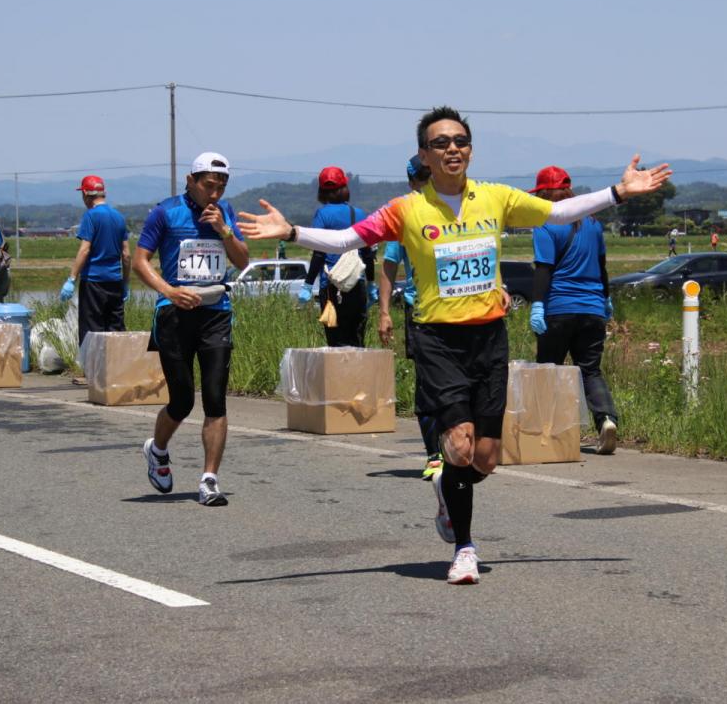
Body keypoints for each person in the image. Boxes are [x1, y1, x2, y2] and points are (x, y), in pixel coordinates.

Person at [238, 106, 670, 584]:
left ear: (470, 149)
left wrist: (617, 192)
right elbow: (345, 240)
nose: (452, 149)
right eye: (440, 142)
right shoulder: (406, 209)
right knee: (460, 445)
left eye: (460, 141)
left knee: (485, 457)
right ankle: (464, 547)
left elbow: (558, 210)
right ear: (425, 154)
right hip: (437, 339)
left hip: (489, 337)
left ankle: (446, 483)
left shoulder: (496, 199)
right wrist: (293, 232)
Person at [132, 151, 249, 507]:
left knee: (215, 399)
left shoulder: (224, 213)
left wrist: (225, 231)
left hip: (216, 313)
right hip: (174, 314)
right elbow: (139, 261)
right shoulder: (165, 212)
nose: (215, 194)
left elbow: (243, 261)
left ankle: (209, 480)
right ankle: (158, 449)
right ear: (191, 181)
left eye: (221, 187)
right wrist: (168, 291)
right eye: (209, 186)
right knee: (181, 401)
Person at [527, 166, 620, 455]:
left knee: (548, 371)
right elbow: (602, 267)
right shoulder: (592, 222)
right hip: (592, 309)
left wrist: (538, 305)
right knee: (590, 370)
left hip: (559, 308)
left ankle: (548, 431)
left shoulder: (545, 223)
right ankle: (606, 420)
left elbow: (544, 269)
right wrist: (605, 299)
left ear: (543, 194)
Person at [377, 156, 441, 479]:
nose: (427, 182)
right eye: (422, 177)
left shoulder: (453, 207)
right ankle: (434, 455)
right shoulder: (402, 216)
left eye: (430, 176)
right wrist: (384, 311)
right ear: (411, 181)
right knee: (428, 385)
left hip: (460, 312)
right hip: (422, 312)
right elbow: (389, 265)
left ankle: (458, 446)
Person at [298, 166, 377, 347]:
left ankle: (337, 376)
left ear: (321, 191)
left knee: (335, 342)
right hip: (356, 286)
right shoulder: (358, 214)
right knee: (357, 341)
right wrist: (371, 283)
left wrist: (308, 284)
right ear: (345, 188)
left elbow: (319, 252)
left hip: (331, 289)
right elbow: (367, 253)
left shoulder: (322, 214)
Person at [59, 175, 130, 350]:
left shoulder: (91, 216)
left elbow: (85, 249)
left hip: (93, 282)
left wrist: (72, 279)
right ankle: (117, 368)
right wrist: (125, 283)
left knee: (92, 329)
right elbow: (127, 254)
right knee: (115, 328)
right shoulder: (119, 217)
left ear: (85, 193)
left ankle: (92, 372)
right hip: (114, 281)